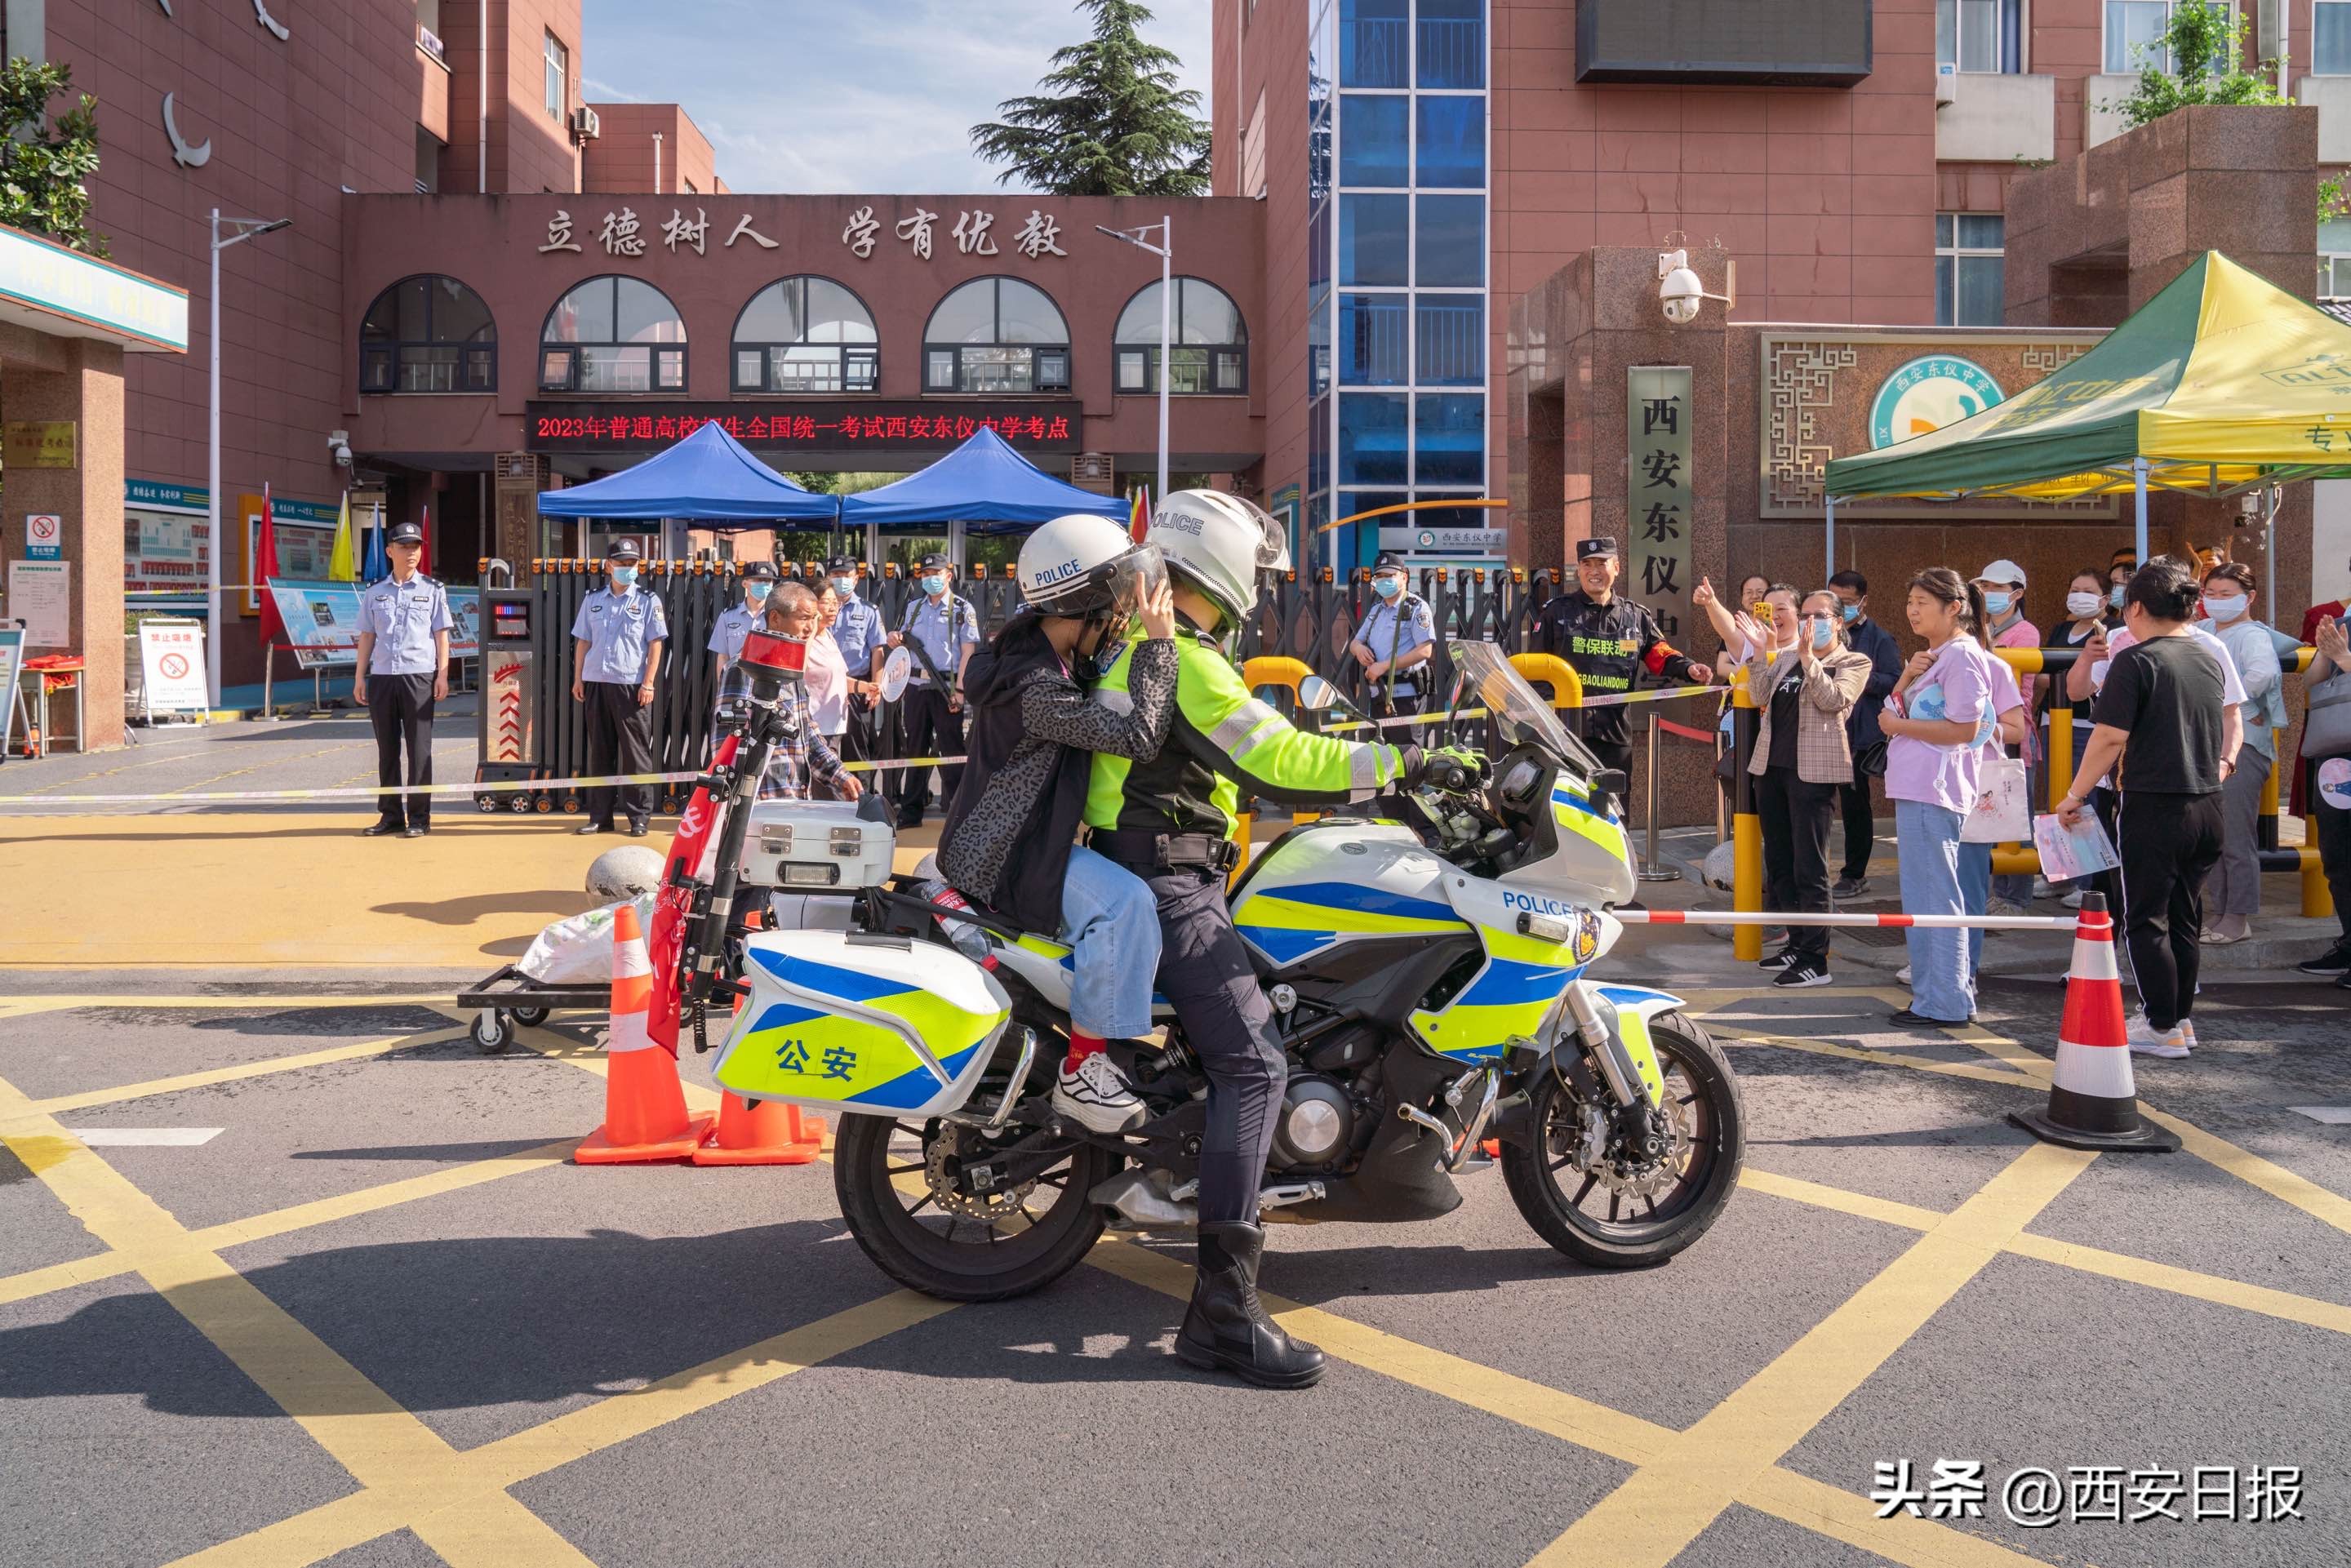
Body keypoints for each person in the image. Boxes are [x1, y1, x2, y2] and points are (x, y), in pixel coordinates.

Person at [1087, 488, 1470, 1390]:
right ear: (1218, 563)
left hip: (1158, 869)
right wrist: (1408, 760)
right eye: (1254, 568)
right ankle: (1223, 1312)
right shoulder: (1185, 659)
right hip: (1167, 882)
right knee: (1254, 1065)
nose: (1259, 584)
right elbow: (1278, 759)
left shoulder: (1153, 648)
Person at [938, 513, 1178, 1134]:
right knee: (1124, 905)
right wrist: (1161, 644)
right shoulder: (1038, 687)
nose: (1123, 617)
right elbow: (1140, 736)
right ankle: (1085, 1072)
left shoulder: (1030, 657)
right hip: (1005, 855)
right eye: (1117, 606)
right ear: (1086, 604)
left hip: (991, 843)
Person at [2057, 559, 2240, 1059]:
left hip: (2155, 804)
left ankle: (2160, 1025)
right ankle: (2178, 1020)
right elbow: (2230, 720)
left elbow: (2110, 736)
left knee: (2145, 918)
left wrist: (2074, 794)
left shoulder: (2136, 660)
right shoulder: (2205, 656)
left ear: (2135, 607)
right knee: (2184, 916)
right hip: (2207, 804)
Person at [1878, 569, 1996, 1027]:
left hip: (1935, 787)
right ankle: (1940, 996)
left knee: (1935, 897)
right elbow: (1896, 707)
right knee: (1925, 896)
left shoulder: (1963, 658)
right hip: (1920, 786)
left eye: (1923, 601)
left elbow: (1965, 729)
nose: (1913, 609)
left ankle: (1943, 1001)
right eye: (1910, 600)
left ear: (1954, 607)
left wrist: (1900, 726)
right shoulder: (1936, 656)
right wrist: (1907, 675)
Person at [1744, 589, 1873, 988]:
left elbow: (1835, 700)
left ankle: (1816, 958)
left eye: (1819, 615)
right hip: (1772, 768)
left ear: (1838, 622)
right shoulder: (1784, 656)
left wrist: (1808, 660)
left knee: (1810, 866)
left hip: (1813, 773)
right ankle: (1796, 944)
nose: (1809, 622)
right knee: (1780, 863)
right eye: (1807, 615)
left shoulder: (1852, 661)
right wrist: (1760, 653)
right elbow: (1758, 695)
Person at [1533, 535, 1711, 780]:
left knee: (1615, 810)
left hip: (1614, 734)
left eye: (1601, 564)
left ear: (1616, 568)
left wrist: (1689, 669)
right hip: (1566, 734)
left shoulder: (1635, 617)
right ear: (1579, 570)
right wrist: (1549, 716)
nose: (1594, 571)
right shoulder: (1557, 612)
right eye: (1587, 564)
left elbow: (1660, 655)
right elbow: (1535, 668)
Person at [2196, 562, 2284, 944]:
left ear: (2249, 598)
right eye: (2210, 594)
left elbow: (2263, 674)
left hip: (2243, 745)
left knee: (2235, 835)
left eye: (2225, 595)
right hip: (2207, 743)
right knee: (2212, 835)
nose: (2216, 602)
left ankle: (2238, 916)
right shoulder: (2203, 630)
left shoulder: (2251, 635)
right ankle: (2221, 911)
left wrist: (2227, 703)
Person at [713, 583, 862, 806]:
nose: (811, 628)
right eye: (804, 618)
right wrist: (740, 803)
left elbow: (806, 734)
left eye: (814, 618)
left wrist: (840, 775)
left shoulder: (793, 670)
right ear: (775, 618)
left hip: (795, 802)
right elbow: (725, 745)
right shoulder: (743, 669)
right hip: (757, 807)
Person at [352, 519, 452, 839]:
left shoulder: (433, 590)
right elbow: (367, 636)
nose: (411, 552)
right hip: (382, 676)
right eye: (405, 547)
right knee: (387, 750)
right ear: (389, 550)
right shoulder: (375, 593)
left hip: (419, 676)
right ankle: (391, 815)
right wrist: (359, 677)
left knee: (419, 750)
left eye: (416, 547)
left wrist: (443, 674)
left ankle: (420, 818)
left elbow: (441, 635)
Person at [571, 538, 667, 837]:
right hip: (597, 682)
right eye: (622, 563)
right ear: (608, 565)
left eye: (632, 564)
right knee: (601, 752)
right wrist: (578, 678)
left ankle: (639, 818)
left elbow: (656, 645)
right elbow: (583, 641)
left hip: (631, 685)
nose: (628, 569)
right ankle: (600, 816)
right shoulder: (593, 599)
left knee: (635, 755)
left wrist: (649, 682)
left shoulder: (649, 600)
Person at [888, 551, 980, 828]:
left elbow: (968, 653)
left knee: (951, 749)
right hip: (916, 685)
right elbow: (903, 643)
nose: (930, 579)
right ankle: (911, 811)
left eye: (935, 574)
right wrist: (895, 639)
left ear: (948, 576)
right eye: (926, 575)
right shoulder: (915, 607)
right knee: (915, 748)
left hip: (946, 686)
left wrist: (961, 691)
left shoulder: (962, 609)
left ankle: (958, 811)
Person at [2045, 569, 2120, 908]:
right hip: (2052, 721)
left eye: (2088, 591)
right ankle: (2061, 875)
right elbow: (2043, 674)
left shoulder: (2113, 632)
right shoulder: (2062, 628)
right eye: (2074, 589)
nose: (2078, 595)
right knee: (2058, 799)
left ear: (2105, 599)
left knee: (2085, 803)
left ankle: (2087, 882)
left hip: (2088, 728)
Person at [1826, 570, 1901, 900]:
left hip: (1859, 735)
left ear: (1863, 601)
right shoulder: (1821, 631)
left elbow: (1895, 681)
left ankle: (1854, 874)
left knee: (1856, 805)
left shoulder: (1879, 639)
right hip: (1823, 730)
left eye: (1847, 603)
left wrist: (1856, 678)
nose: (1841, 609)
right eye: (1834, 601)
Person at [1971, 560, 2041, 913]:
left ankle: (2016, 896)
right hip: (1985, 736)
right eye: (1984, 587)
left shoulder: (2024, 631)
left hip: (2012, 734)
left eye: (1997, 588)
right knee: (1991, 814)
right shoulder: (1979, 628)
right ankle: (1997, 892)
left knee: (2017, 818)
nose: (1989, 594)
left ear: (2017, 593)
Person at [2296, 609, 2351, 988]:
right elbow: (2313, 682)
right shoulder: (2346, 617)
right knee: (2338, 855)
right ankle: (2349, 942)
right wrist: (2326, 653)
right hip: (2336, 752)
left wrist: (2346, 659)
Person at [1349, 553, 1435, 722]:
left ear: (1404, 577)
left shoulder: (1416, 608)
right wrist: (1359, 649)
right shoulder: (1377, 610)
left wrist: (1384, 666)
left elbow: (1425, 651)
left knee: (1406, 748)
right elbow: (1355, 642)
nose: (1383, 580)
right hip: (1378, 694)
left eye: (1389, 576)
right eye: (1379, 576)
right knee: (1380, 748)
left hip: (1406, 697)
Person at [826, 556, 889, 764]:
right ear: (828, 578)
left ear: (855, 579)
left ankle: (860, 795)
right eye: (836, 575)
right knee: (826, 746)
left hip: (858, 685)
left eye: (846, 575)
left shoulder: (868, 610)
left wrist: (876, 686)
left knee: (858, 746)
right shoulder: (818, 610)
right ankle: (829, 796)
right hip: (826, 686)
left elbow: (877, 651)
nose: (841, 579)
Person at [706, 559, 776, 698]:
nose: (763, 584)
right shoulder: (728, 616)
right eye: (758, 580)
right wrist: (722, 689)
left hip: (767, 689)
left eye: (767, 581)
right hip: (736, 688)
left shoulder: (776, 617)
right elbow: (723, 656)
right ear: (745, 583)